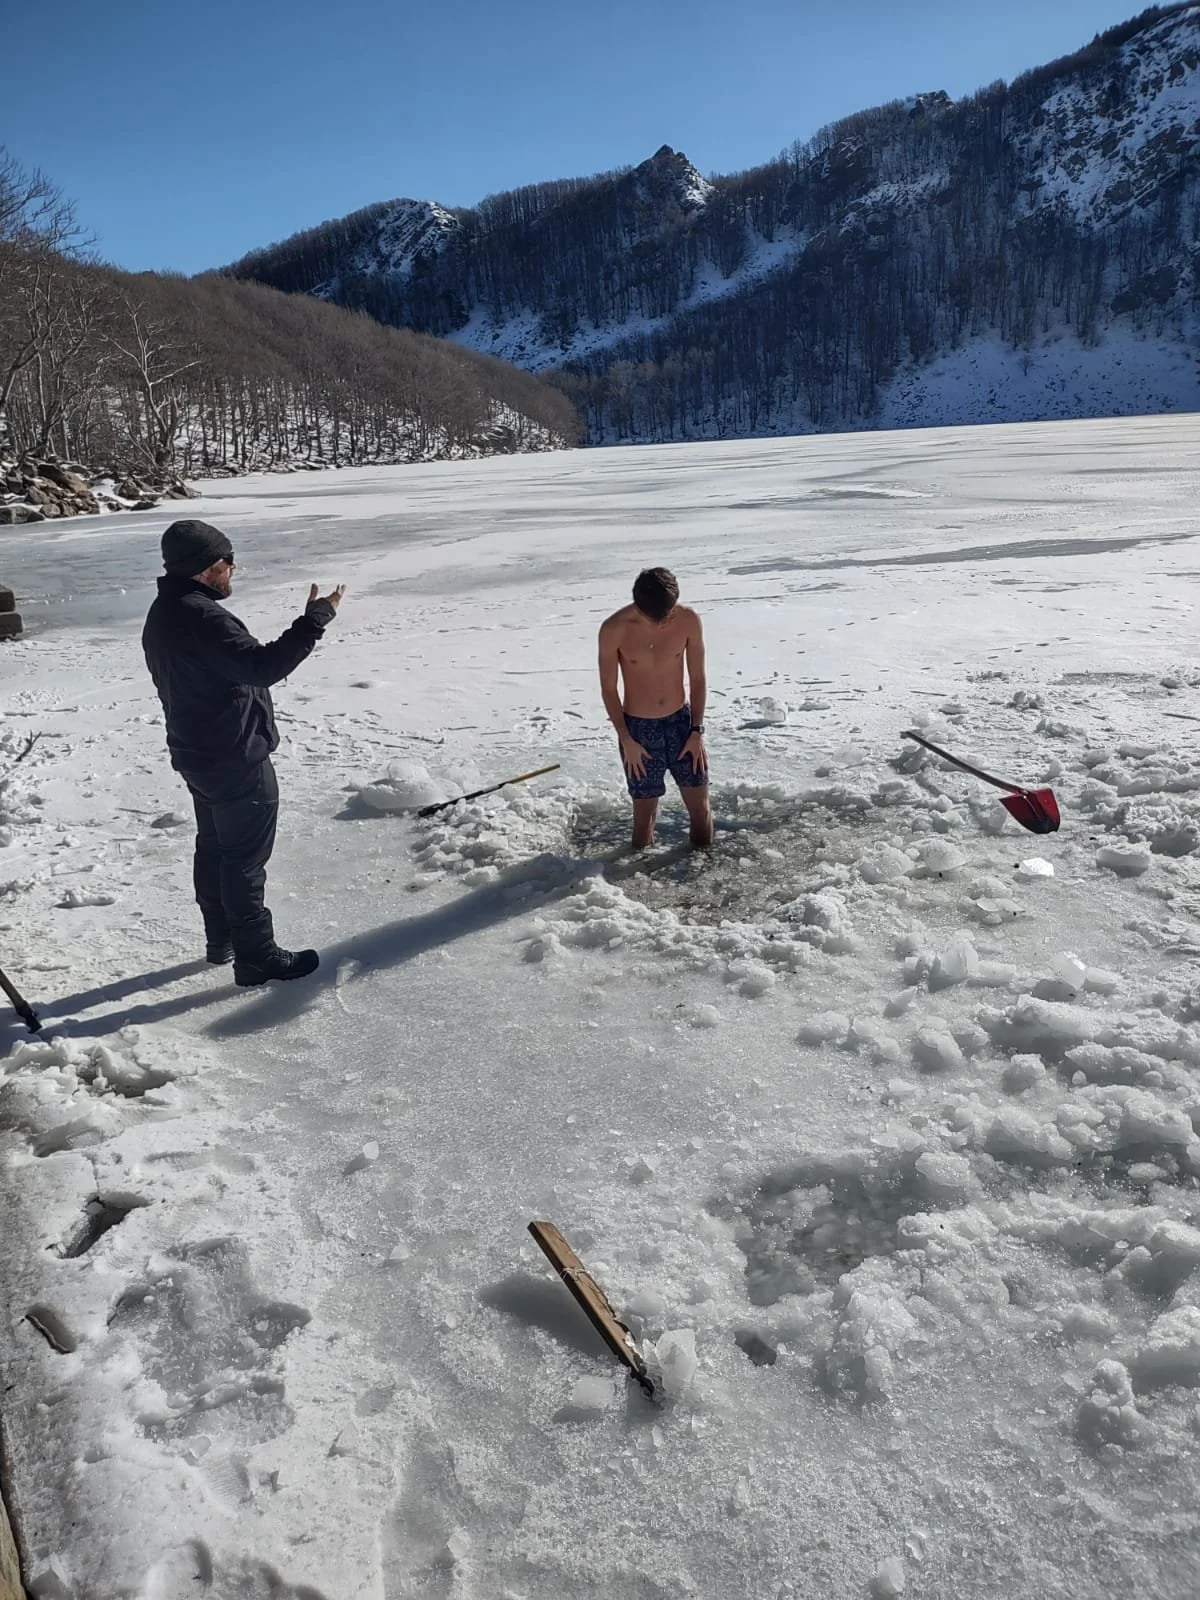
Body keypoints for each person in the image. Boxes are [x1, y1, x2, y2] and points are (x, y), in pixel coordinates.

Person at [142, 518, 345, 986]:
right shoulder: (203, 617)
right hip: (234, 757)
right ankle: (256, 956)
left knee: (215, 848)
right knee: (243, 859)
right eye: (225, 561)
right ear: (204, 569)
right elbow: (264, 667)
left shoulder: (166, 608)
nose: (233, 567)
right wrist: (314, 620)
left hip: (198, 751)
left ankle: (222, 939)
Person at [598, 566, 713, 850]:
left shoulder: (687, 619)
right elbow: (609, 689)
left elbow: (697, 678)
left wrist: (696, 730)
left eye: (668, 612)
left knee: (700, 809)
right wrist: (627, 739)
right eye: (656, 616)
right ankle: (638, 879)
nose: (663, 621)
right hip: (638, 730)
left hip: (681, 725)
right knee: (644, 817)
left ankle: (704, 869)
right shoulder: (614, 629)